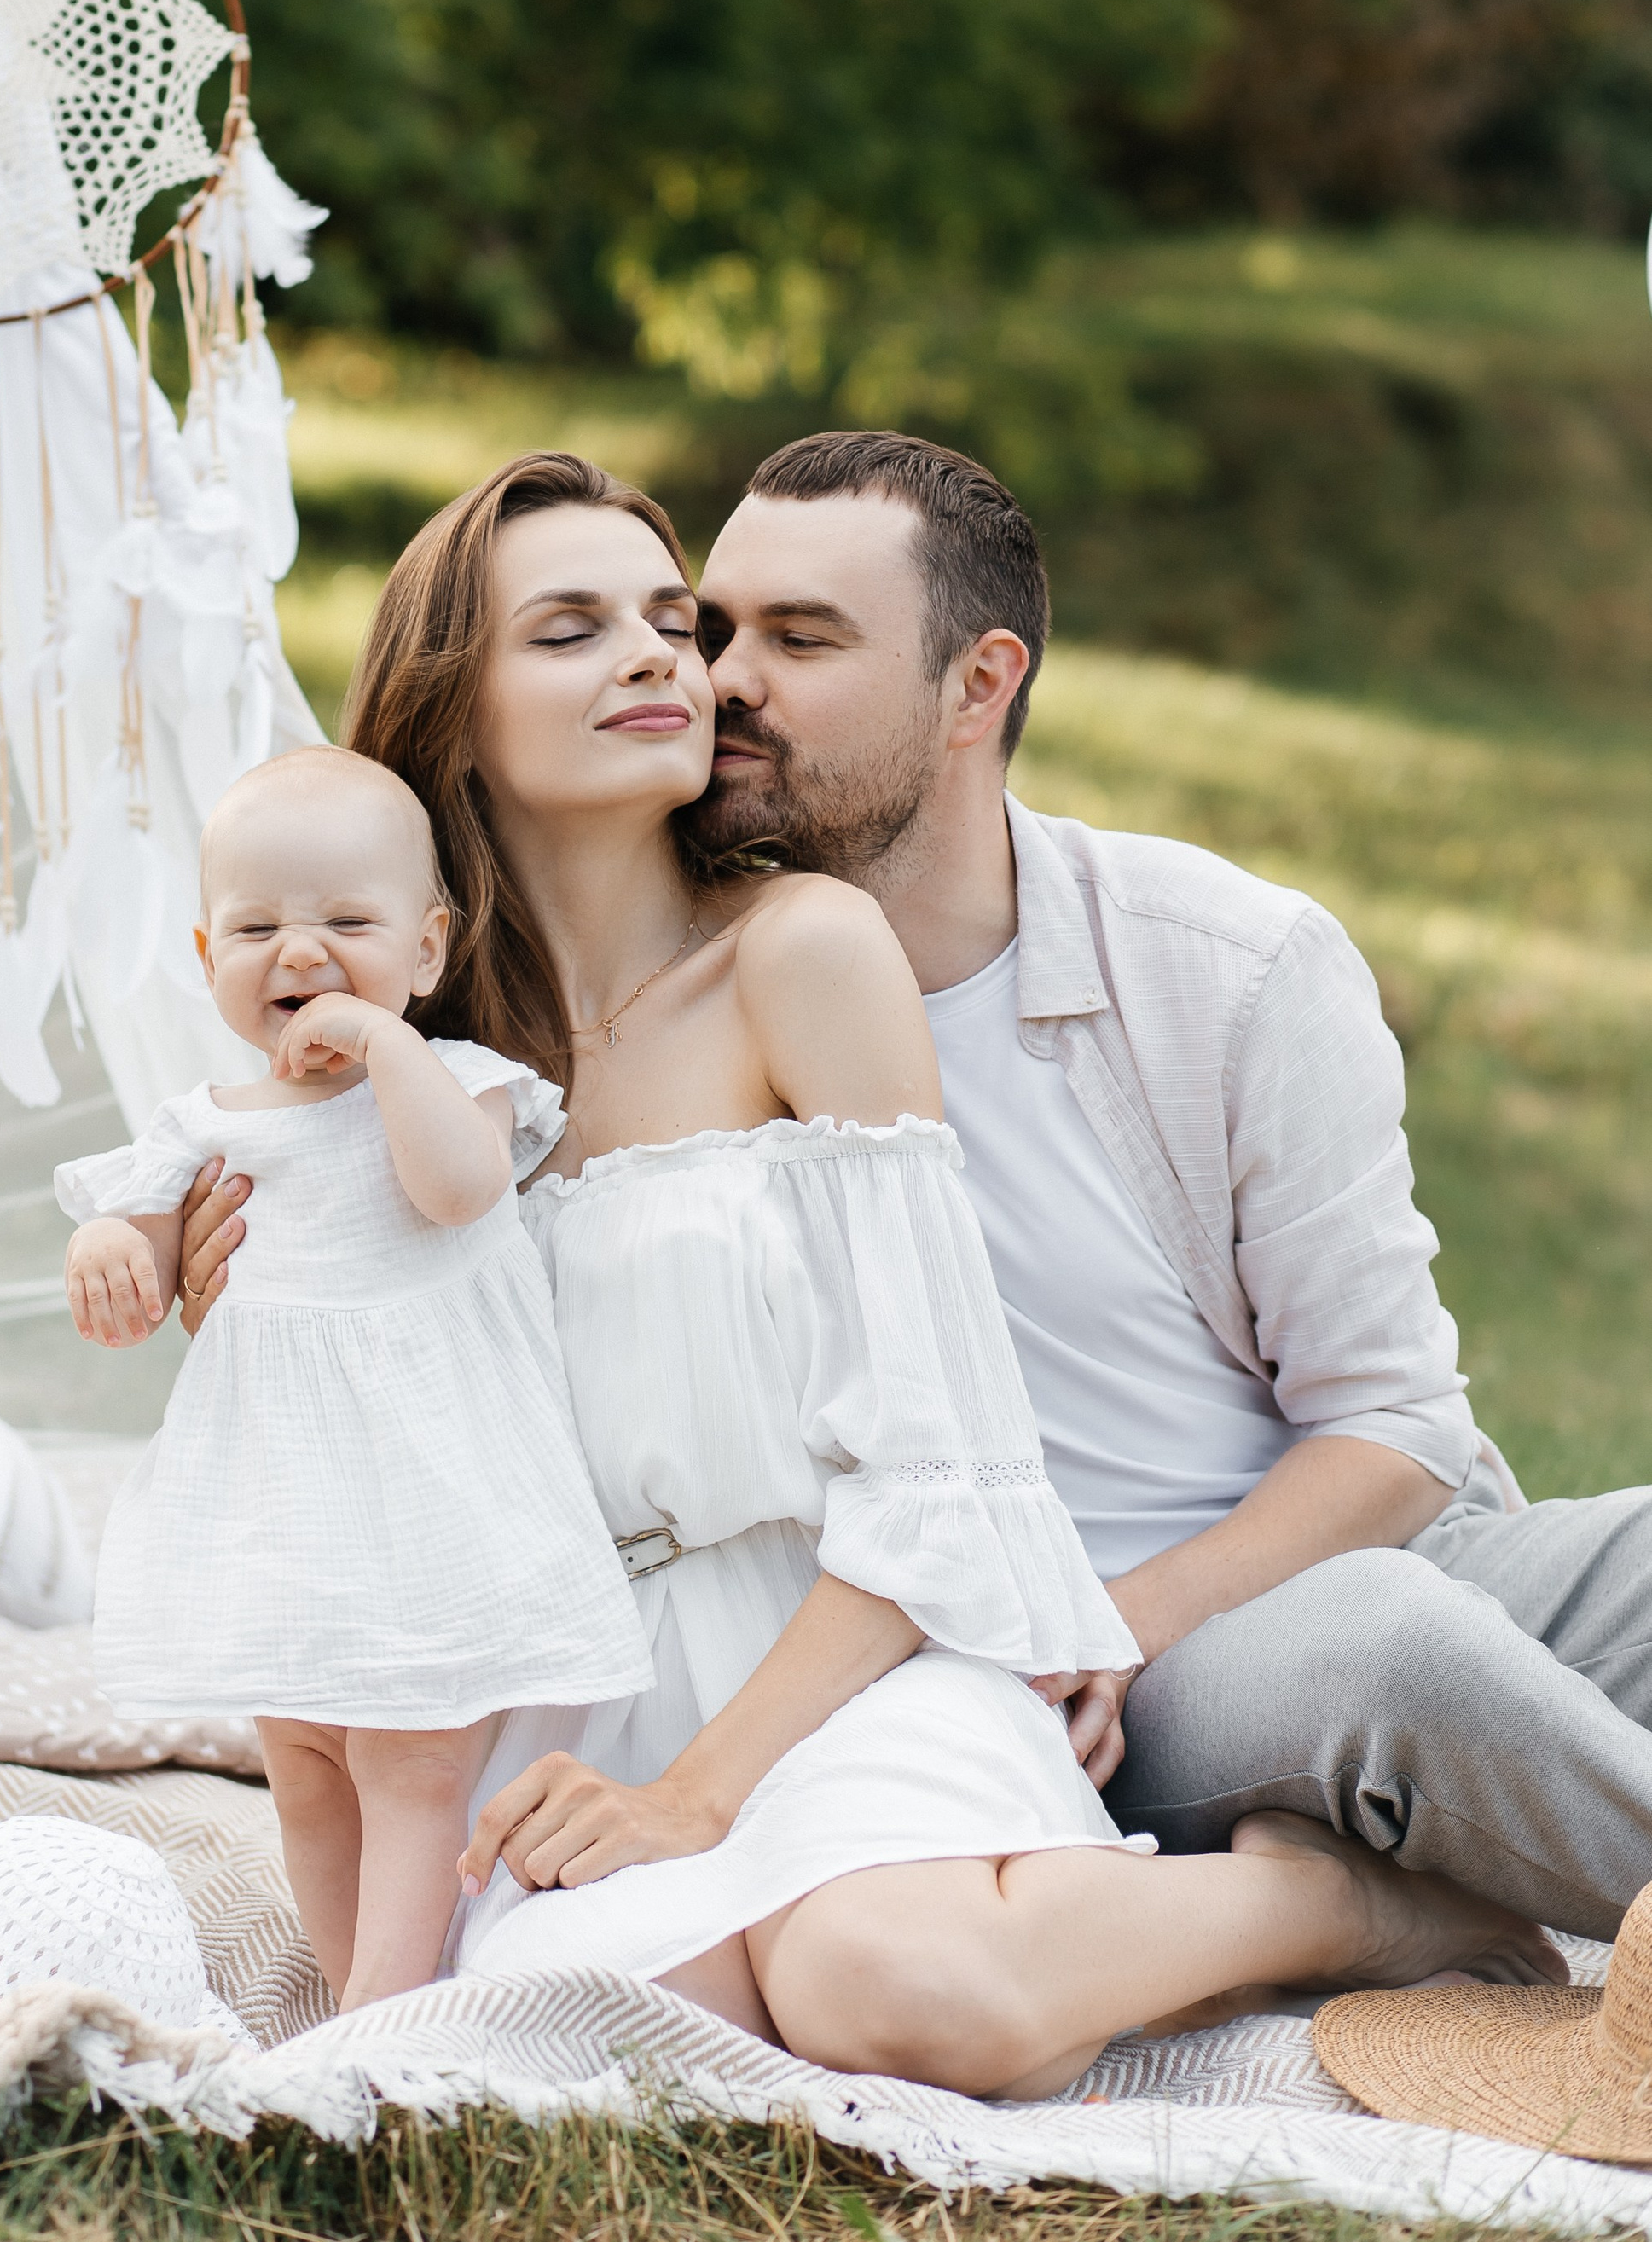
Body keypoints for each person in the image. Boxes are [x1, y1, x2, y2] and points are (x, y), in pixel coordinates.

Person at [174, 452, 1557, 2092]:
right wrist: (241, 1290)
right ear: (450, 712)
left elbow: (944, 1449)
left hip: (846, 1643)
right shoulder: (414, 1064)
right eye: (569, 631)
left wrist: (700, 1791)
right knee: (599, 2039)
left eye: (664, 621)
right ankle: (1045, 1927)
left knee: (896, 1992)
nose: (658, 660)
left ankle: (1332, 1904)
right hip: (573, 1680)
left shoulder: (805, 954)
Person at [670, 425, 1652, 1947]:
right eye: (715, 628)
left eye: (801, 638)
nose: (727, 680)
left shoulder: (1225, 966)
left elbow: (1394, 1427)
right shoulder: (671, 1011)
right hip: (1067, 1698)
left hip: (1273, 1581)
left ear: (978, 687)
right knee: (1392, 1649)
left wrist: (1136, 1617)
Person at [56, 744, 652, 2011]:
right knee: (308, 1766)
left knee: (410, 1764)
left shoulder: (463, 1085)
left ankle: (388, 2019)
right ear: (209, 955)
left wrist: (390, 1050)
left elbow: (455, 1192)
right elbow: (153, 1268)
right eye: (260, 926)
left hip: (432, 1493)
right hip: (286, 1506)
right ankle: (340, 1998)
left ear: (428, 952)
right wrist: (112, 1246)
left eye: (348, 923)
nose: (303, 953)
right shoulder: (202, 1121)